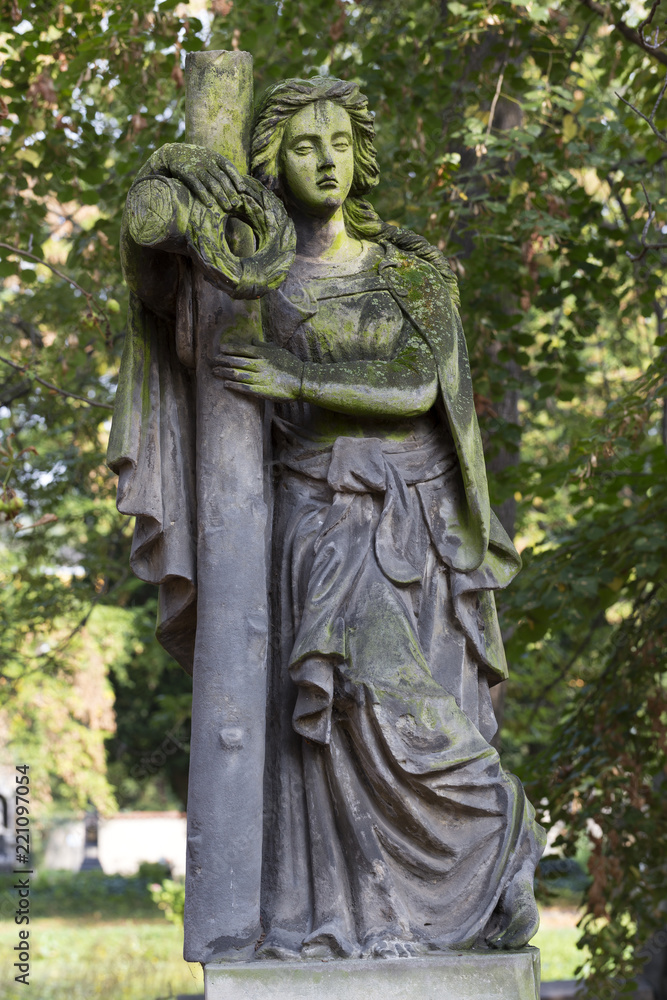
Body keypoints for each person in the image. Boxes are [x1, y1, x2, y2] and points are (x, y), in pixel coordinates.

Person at [110, 75, 545, 961]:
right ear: (274, 161)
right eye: (306, 146)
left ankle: (486, 861)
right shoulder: (249, 277)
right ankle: (348, 915)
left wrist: (296, 379)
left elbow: (423, 390)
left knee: (424, 720)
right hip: (316, 519)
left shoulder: (409, 272)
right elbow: (161, 293)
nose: (326, 161)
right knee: (338, 704)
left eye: (339, 143)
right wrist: (167, 203)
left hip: (418, 529)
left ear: (361, 155)